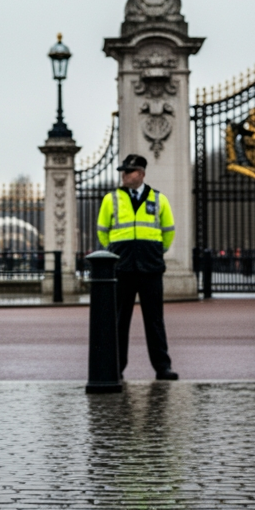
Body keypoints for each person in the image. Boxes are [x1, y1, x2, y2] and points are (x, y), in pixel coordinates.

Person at [96, 154, 178, 381]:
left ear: (141, 174)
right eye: (123, 171)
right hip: (122, 268)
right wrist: (115, 252)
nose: (124, 175)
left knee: (155, 321)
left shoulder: (159, 199)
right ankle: (116, 367)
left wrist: (154, 252)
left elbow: (169, 232)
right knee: (120, 321)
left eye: (129, 171)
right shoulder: (110, 199)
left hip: (150, 268)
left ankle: (163, 367)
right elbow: (102, 232)